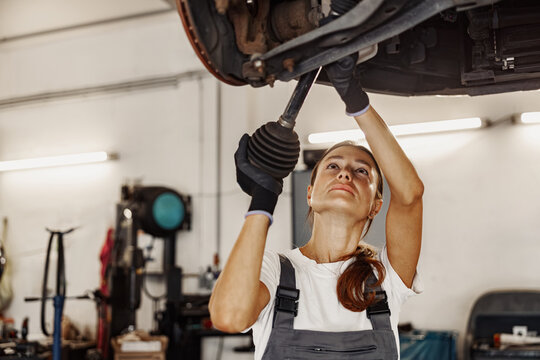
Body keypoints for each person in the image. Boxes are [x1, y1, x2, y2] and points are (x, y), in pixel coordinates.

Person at [209, 53, 424, 360]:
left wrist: (356, 100)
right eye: (332, 166)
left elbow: (410, 194)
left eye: (362, 171)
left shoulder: (384, 278)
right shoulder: (276, 270)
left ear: (376, 206)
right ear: (310, 194)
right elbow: (228, 317)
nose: (345, 173)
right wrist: (263, 200)